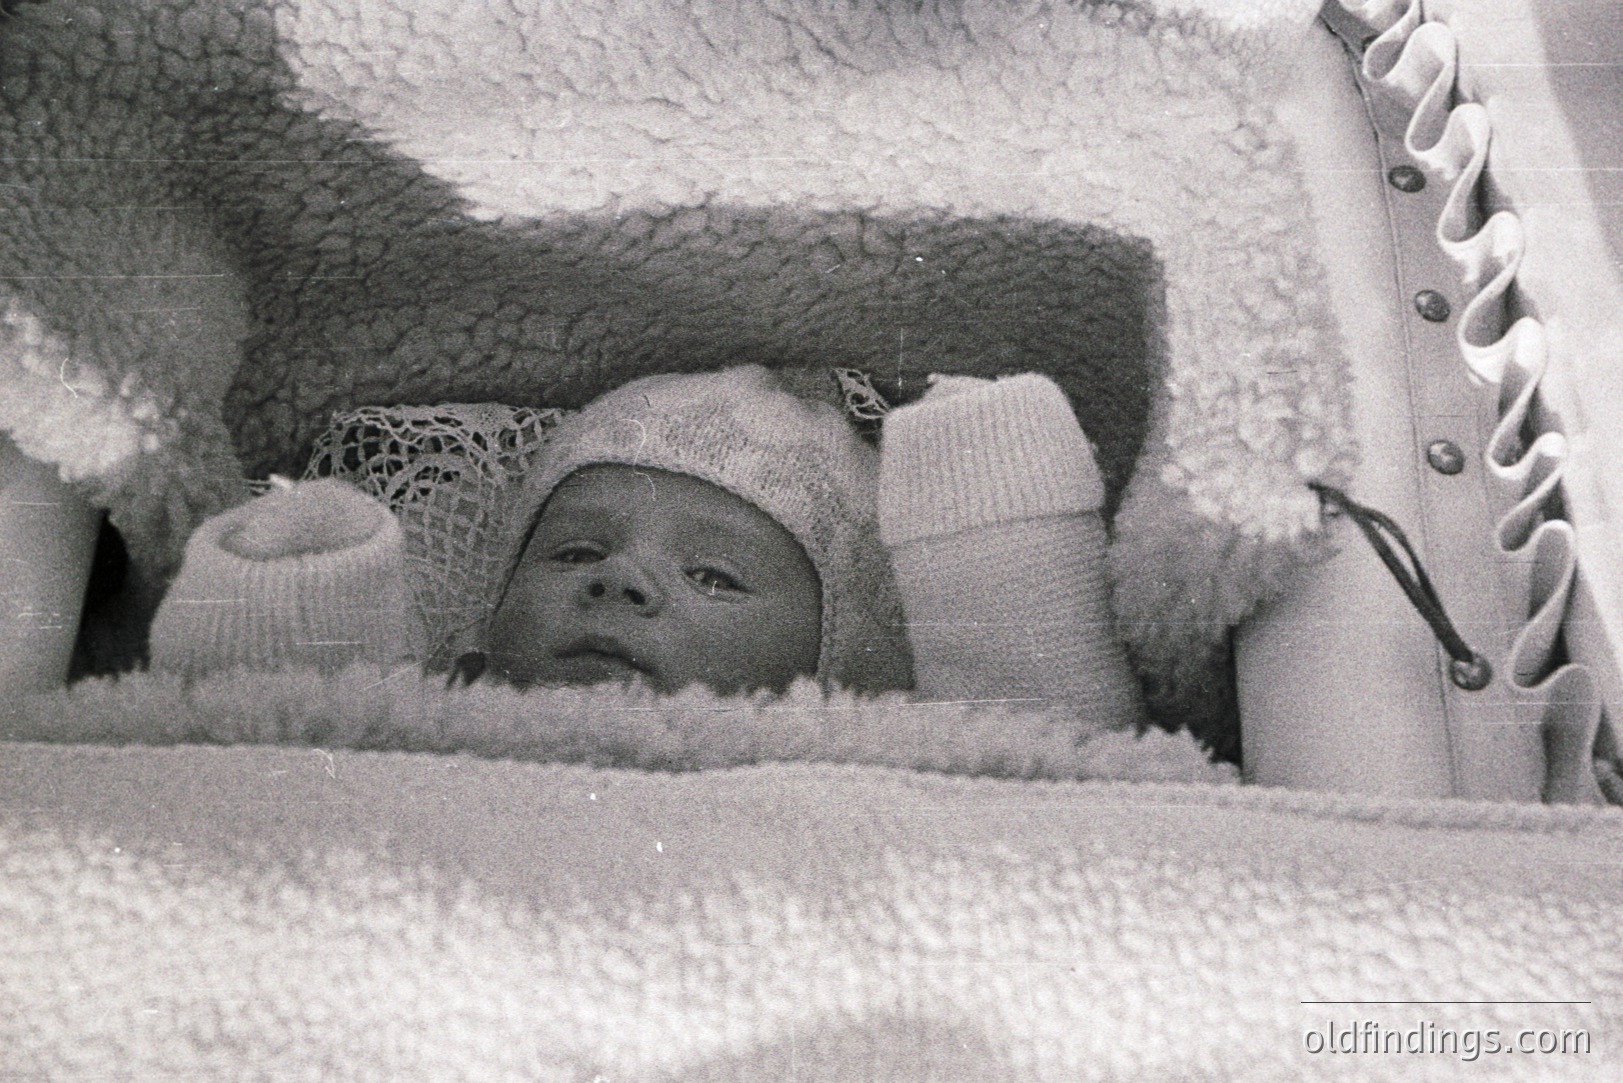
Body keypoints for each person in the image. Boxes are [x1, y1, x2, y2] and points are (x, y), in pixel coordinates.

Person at [148, 365, 1142, 733]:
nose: (620, 577)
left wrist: (987, 481)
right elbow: (236, 778)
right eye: (574, 551)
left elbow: (1065, 775)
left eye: (714, 575)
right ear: (479, 644)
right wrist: (293, 571)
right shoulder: (437, 713)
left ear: (834, 680)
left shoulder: (861, 750)